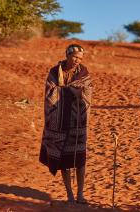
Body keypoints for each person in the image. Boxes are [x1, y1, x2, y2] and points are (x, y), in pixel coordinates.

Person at [39, 44, 92, 204]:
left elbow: (87, 92)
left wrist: (67, 90)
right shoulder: (54, 72)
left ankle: (80, 194)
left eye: (80, 58)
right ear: (67, 55)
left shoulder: (84, 73)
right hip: (59, 123)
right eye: (75, 57)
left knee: (80, 160)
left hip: (78, 122)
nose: (77, 61)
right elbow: (50, 93)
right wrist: (71, 91)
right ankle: (69, 194)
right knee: (65, 161)